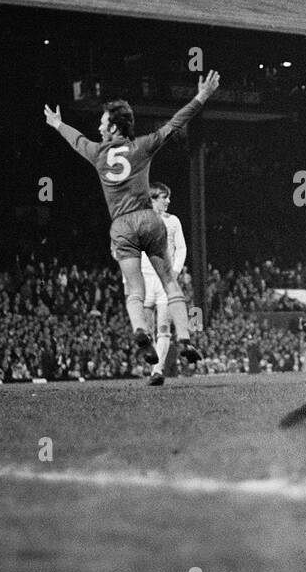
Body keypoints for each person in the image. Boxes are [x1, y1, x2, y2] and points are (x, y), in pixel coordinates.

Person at [44, 71, 218, 379]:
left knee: (134, 290)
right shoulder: (142, 146)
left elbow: (76, 141)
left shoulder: (97, 153)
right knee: (170, 282)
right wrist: (201, 96)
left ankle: (140, 330)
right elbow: (175, 123)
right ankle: (185, 337)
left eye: (102, 121)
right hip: (149, 220)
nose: (99, 126)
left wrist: (58, 124)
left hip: (121, 226)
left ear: (113, 126)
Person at [136, 182, 188, 386]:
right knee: (147, 331)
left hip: (166, 281)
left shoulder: (173, 221)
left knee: (163, 328)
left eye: (168, 197)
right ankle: (153, 367)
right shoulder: (140, 221)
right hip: (147, 280)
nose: (168, 201)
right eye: (164, 197)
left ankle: (157, 371)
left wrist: (174, 271)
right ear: (153, 199)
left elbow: (182, 248)